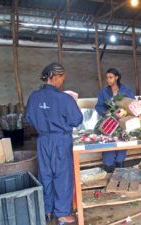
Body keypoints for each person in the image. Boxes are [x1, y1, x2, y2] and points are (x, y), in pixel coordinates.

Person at [25, 63, 83, 225]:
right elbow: (77, 120)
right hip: (61, 141)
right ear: (55, 77)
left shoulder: (33, 97)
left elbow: (29, 119)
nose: (61, 83)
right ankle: (63, 214)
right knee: (62, 176)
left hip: (43, 140)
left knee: (45, 174)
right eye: (61, 79)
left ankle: (47, 209)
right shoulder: (64, 98)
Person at [95, 68, 135, 172]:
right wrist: (105, 112)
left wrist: (125, 112)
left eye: (111, 77)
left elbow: (133, 104)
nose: (108, 80)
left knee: (122, 145)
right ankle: (108, 170)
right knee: (108, 147)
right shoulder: (103, 92)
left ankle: (120, 169)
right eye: (107, 78)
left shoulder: (126, 90)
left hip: (122, 123)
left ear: (116, 77)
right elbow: (98, 106)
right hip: (109, 124)